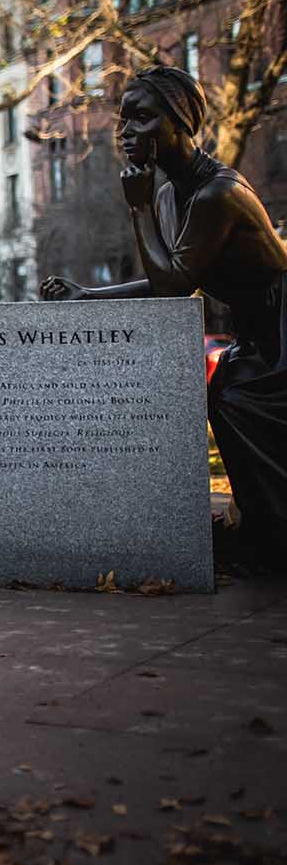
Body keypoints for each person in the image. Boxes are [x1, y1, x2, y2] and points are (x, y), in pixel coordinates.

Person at [41, 65, 287, 567]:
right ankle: (265, 524)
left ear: (179, 122)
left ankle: (271, 531)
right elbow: (172, 277)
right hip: (259, 327)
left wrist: (137, 212)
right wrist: (89, 296)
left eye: (143, 118)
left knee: (235, 397)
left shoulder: (217, 193)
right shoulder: (171, 192)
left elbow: (174, 283)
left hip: (282, 323)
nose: (127, 132)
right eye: (123, 119)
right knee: (226, 395)